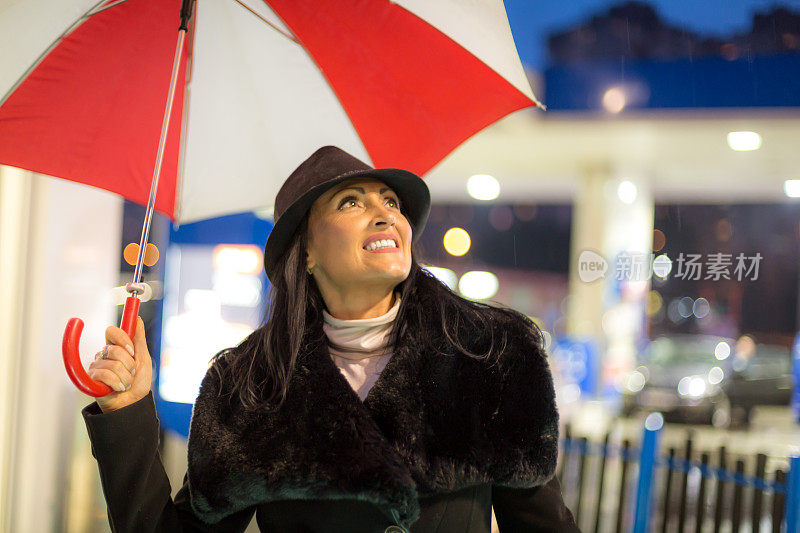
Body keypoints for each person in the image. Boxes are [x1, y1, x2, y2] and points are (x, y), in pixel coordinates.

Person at [82, 146, 580, 532]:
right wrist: (127, 408)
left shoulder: (490, 354)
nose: (386, 213)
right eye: (351, 203)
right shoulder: (249, 388)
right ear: (305, 254)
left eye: (390, 201)